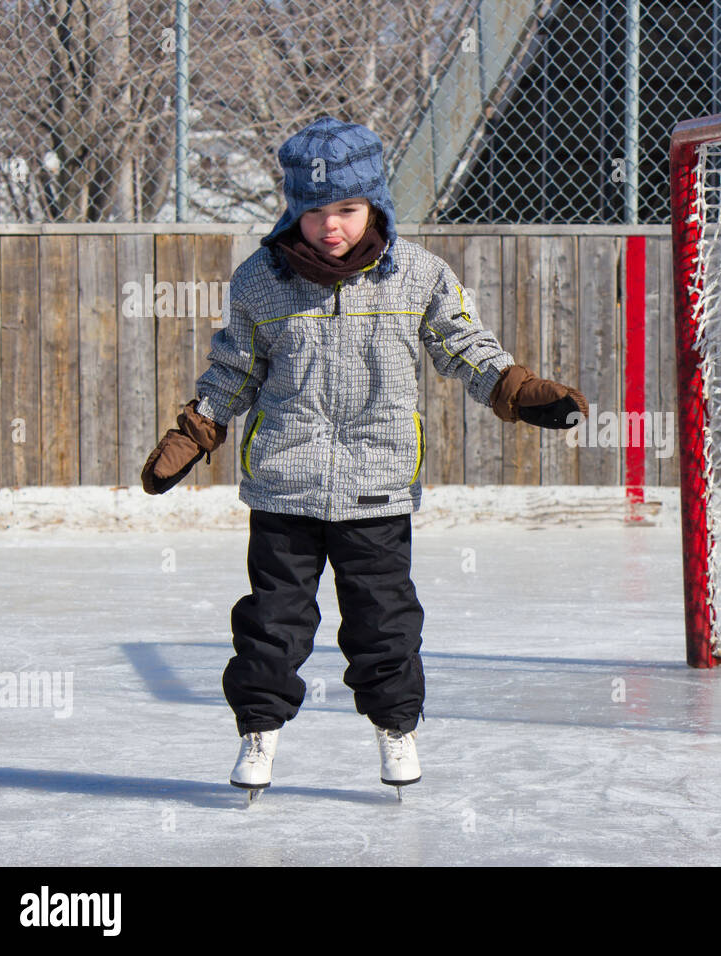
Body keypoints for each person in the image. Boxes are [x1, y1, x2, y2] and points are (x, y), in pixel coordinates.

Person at [140, 116, 587, 800]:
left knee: (383, 619)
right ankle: (259, 733)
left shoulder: (418, 277)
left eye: (346, 209)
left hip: (377, 485)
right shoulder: (262, 280)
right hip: (285, 487)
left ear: (374, 203)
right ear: (295, 209)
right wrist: (198, 429)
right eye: (315, 211)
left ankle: (396, 728)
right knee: (271, 621)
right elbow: (234, 369)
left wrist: (518, 390)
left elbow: (464, 348)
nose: (331, 226)